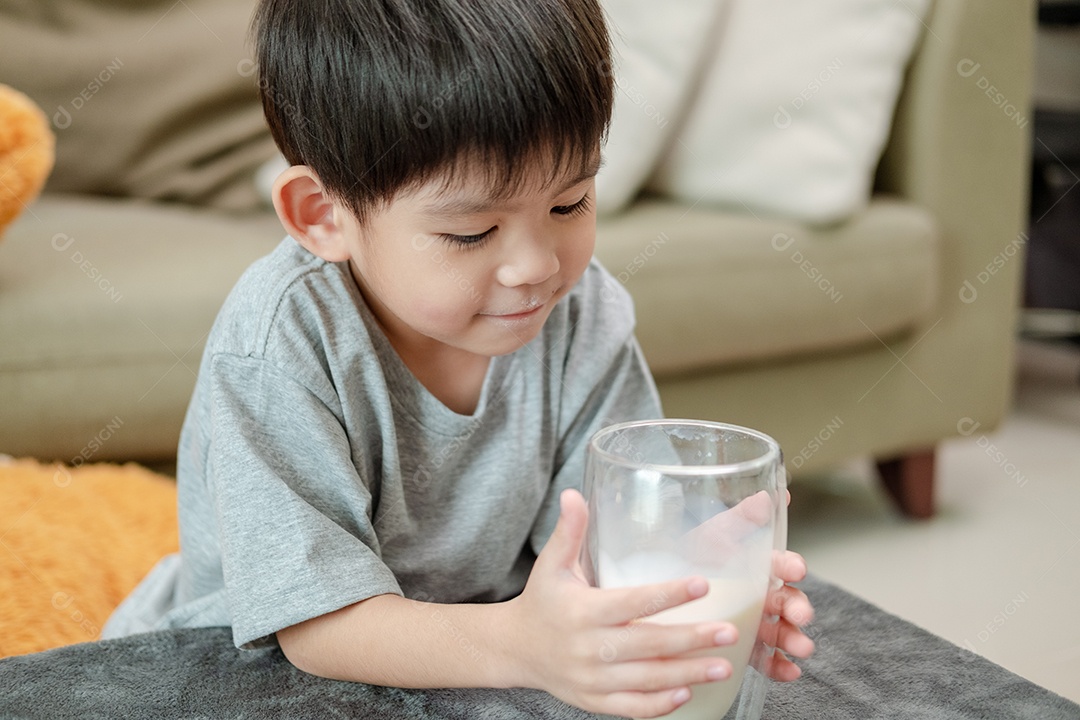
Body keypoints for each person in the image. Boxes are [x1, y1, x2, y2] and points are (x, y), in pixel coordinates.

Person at [102, 0, 815, 716]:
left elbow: (593, 549)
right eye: (472, 233)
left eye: (569, 205)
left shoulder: (581, 311)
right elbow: (314, 628)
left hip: (482, 661)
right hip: (259, 677)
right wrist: (521, 645)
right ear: (323, 215)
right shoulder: (280, 342)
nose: (536, 267)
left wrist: (681, 584)